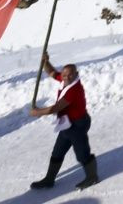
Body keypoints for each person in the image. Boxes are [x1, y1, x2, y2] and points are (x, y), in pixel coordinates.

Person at [28, 53, 99, 190]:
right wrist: (45, 62)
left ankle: (92, 177)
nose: (66, 77)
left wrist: (38, 112)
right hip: (66, 124)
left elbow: (55, 108)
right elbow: (52, 73)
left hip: (78, 125)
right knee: (57, 152)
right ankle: (49, 179)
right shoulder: (65, 80)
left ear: (76, 74)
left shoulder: (74, 90)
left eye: (70, 75)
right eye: (64, 75)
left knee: (82, 153)